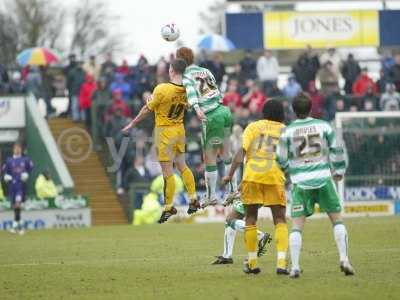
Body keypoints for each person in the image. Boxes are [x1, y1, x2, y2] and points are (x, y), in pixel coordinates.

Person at [276, 92, 354, 278]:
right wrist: (339, 171)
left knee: (296, 226)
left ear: (293, 111)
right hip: (323, 178)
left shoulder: (287, 131)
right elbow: (336, 149)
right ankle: (344, 259)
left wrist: (291, 170)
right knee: (337, 220)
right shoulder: (323, 126)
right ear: (311, 108)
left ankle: (295, 266)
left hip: (301, 183)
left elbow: (279, 159)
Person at [122, 59, 200, 223]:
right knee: (182, 165)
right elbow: (189, 107)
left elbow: (146, 109)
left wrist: (132, 123)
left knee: (167, 172)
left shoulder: (162, 88)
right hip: (179, 129)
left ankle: (169, 207)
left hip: (164, 131)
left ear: (171, 71)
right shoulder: (187, 89)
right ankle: (193, 199)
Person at [222, 99, 289, 275]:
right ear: (281, 114)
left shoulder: (253, 127)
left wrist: (230, 174)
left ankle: (252, 262)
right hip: (274, 175)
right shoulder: (285, 130)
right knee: (280, 219)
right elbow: (288, 158)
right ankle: (281, 263)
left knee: (250, 217)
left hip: (252, 176)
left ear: (264, 112)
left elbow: (240, 153)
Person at [176, 47, 235, 207]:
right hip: (224, 111)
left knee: (209, 157)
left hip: (211, 115)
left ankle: (211, 196)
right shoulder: (205, 71)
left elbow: (192, 94)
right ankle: (233, 191)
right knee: (226, 153)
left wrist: (196, 108)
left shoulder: (186, 76)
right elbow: (213, 89)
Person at [212, 196, 272, 265]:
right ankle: (226, 256)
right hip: (249, 195)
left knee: (230, 220)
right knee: (229, 221)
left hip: (251, 194)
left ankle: (261, 236)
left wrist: (234, 196)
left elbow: (243, 186)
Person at [2, 142, 33, 234]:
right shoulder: (9, 160)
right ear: (13, 149)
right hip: (12, 186)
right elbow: (5, 172)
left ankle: (17, 227)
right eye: (16, 148)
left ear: (21, 149)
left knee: (18, 203)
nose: (17, 150)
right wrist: (6, 177)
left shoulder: (25, 160)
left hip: (20, 185)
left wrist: (27, 174)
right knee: (15, 205)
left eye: (19, 148)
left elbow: (31, 168)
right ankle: (17, 225)